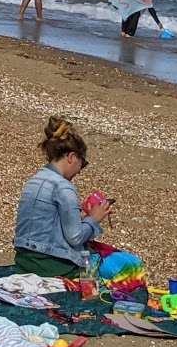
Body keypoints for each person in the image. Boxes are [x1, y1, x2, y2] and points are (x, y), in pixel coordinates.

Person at [12, 117, 112, 277]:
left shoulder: (34, 181)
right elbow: (75, 237)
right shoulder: (63, 186)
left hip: (24, 259)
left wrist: (82, 216)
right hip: (51, 263)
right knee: (125, 264)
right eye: (82, 163)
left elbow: (46, 223)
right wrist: (94, 219)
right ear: (71, 157)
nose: (80, 171)